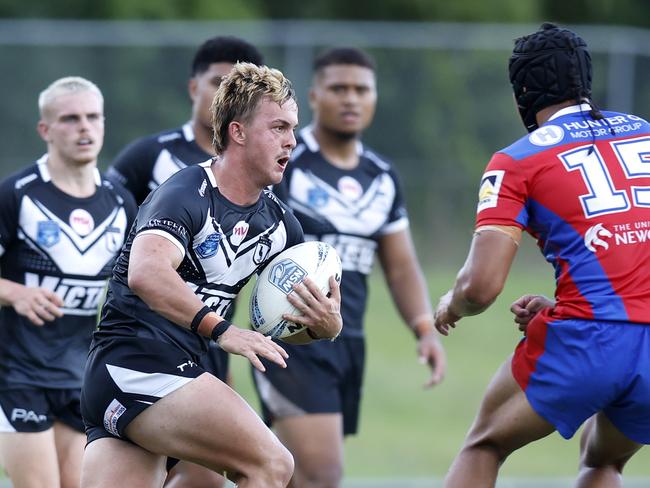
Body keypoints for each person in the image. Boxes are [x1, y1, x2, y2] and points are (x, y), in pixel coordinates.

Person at [79, 62, 343, 488]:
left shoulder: (280, 225)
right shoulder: (185, 193)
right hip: (137, 365)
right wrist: (223, 331)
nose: (292, 140)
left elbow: (292, 319)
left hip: (148, 378)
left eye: (293, 128)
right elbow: (146, 273)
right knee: (272, 465)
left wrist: (326, 325)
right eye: (278, 127)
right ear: (237, 132)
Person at [434, 22, 650, 487]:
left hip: (591, 337)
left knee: (486, 443)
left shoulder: (518, 159)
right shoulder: (645, 133)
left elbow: (481, 287)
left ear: (522, 97)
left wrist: (450, 304)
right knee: (602, 460)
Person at [253, 47, 447, 488]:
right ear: (314, 96)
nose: (351, 99)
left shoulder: (382, 176)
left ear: (375, 97)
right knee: (323, 474)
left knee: (292, 476)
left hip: (347, 339)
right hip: (292, 342)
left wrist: (423, 327)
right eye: (338, 88)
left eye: (362, 89)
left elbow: (400, 265)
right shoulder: (286, 162)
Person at [106, 35, 264, 488]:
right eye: (218, 81)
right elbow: (110, 233)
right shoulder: (150, 158)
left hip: (209, 348)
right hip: (142, 345)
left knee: (206, 479)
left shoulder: (255, 176)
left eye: (239, 87)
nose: (225, 94)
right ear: (193, 87)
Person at [0, 77, 137, 488]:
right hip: (16, 375)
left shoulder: (120, 203)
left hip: (80, 375)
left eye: (93, 117)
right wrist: (14, 292)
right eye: (70, 118)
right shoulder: (17, 195)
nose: (84, 127)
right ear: (46, 130)